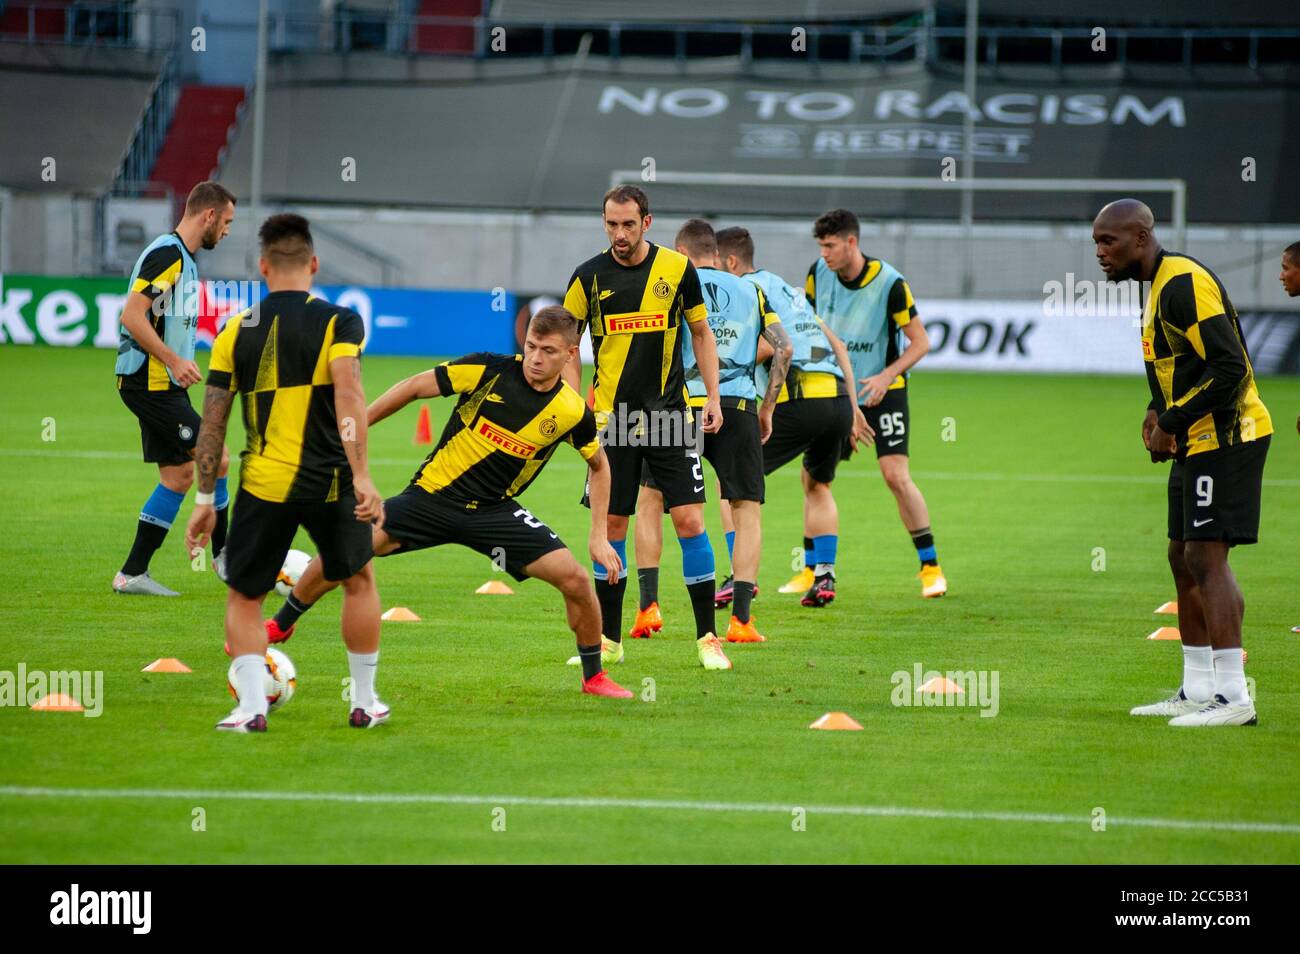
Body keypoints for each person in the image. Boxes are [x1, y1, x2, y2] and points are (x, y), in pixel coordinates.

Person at [265, 307, 633, 699]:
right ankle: (281, 623)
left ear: (571, 354)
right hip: (431, 498)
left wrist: (598, 536)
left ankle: (593, 677)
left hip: (495, 512)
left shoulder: (573, 411)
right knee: (348, 546)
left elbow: (599, 465)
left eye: (548, 351)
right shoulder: (487, 369)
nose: (536, 359)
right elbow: (411, 387)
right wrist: (354, 429)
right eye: (530, 346)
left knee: (575, 579)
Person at [184, 213, 386, 732]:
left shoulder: (235, 330)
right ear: (313, 263)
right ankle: (363, 702)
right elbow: (349, 395)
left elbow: (213, 423)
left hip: (263, 483)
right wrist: (362, 475)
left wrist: (205, 500)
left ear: (263, 266)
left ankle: (251, 708)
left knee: (245, 596)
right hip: (332, 481)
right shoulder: (340, 321)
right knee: (358, 579)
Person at [1093, 198, 1272, 727]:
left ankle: (1235, 699)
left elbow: (1230, 367)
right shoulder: (1157, 288)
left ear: (1142, 237)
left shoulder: (1182, 284)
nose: (1101, 253)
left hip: (1229, 436)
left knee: (1206, 557)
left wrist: (1172, 422)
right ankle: (1197, 689)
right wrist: (1156, 414)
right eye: (1097, 243)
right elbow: (1177, 366)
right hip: (1196, 440)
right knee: (1182, 555)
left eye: (1110, 241)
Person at [561, 185, 733, 671]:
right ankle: (610, 641)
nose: (619, 234)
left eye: (628, 225)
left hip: (671, 418)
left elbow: (701, 332)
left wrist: (714, 398)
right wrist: (575, 406)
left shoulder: (678, 270)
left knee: (691, 522)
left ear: (647, 223)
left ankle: (707, 639)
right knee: (612, 526)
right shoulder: (587, 277)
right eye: (611, 224)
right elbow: (569, 346)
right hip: (612, 424)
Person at [628, 219, 792, 644]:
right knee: (745, 508)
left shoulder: (671, 283)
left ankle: (648, 609)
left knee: (650, 501)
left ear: (681, 253)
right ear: (716, 255)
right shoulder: (751, 291)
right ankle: (740, 621)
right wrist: (768, 407)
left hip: (675, 408)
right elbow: (784, 346)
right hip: (736, 406)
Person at [808, 208, 948, 600]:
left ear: (852, 242)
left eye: (831, 246)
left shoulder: (890, 283)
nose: (825, 255)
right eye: (821, 247)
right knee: (815, 478)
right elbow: (810, 328)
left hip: (882, 391)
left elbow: (920, 342)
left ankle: (930, 566)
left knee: (895, 476)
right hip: (834, 390)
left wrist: (887, 376)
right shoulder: (817, 275)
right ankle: (811, 571)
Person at [113, 181, 235, 595]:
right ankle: (226, 559)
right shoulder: (167, 254)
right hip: (149, 383)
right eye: (228, 222)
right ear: (209, 216)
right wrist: (173, 359)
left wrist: (182, 356)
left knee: (180, 475)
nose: (228, 231)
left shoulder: (183, 257)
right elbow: (132, 315)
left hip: (160, 384)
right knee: (215, 457)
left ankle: (132, 574)